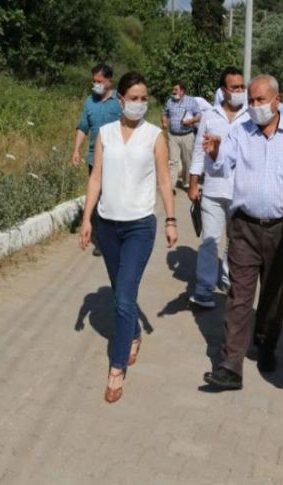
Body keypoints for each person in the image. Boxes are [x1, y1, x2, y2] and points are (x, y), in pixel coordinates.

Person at [201, 75, 283, 389]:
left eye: (260, 100)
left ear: (277, 100)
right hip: (245, 227)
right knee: (239, 296)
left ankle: (266, 343)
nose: (254, 106)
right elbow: (223, 163)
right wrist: (213, 152)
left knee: (275, 296)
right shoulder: (241, 132)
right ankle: (230, 364)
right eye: (251, 101)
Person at [79, 72, 178, 404]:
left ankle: (116, 368)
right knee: (121, 294)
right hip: (107, 226)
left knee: (123, 298)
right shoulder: (105, 133)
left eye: (143, 98)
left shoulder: (154, 136)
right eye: (133, 97)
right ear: (119, 99)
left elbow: (164, 180)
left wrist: (171, 220)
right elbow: (96, 178)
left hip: (139, 227)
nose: (139, 103)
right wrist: (86, 219)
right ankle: (133, 332)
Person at [187, 67, 249, 309]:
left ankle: (228, 279)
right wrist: (193, 184)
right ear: (223, 91)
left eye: (242, 87)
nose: (240, 91)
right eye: (235, 88)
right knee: (209, 240)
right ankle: (204, 288)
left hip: (241, 191)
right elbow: (198, 153)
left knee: (236, 242)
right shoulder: (210, 116)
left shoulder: (250, 116)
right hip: (213, 190)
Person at [71, 63, 122, 256]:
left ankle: (119, 235)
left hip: (117, 159)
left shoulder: (120, 101)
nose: (96, 85)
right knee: (99, 198)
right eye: (94, 81)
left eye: (99, 81)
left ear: (109, 81)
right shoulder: (89, 102)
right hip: (95, 159)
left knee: (114, 198)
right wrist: (76, 150)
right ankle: (103, 240)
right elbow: (83, 126)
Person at [161, 80, 201, 189]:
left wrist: (191, 120)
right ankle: (171, 186)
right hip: (173, 136)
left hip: (187, 135)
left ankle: (186, 182)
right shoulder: (170, 101)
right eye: (173, 89)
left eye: (176, 89)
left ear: (182, 91)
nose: (173, 91)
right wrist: (164, 122)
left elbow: (199, 115)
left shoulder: (191, 101)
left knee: (187, 160)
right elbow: (164, 113)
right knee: (173, 161)